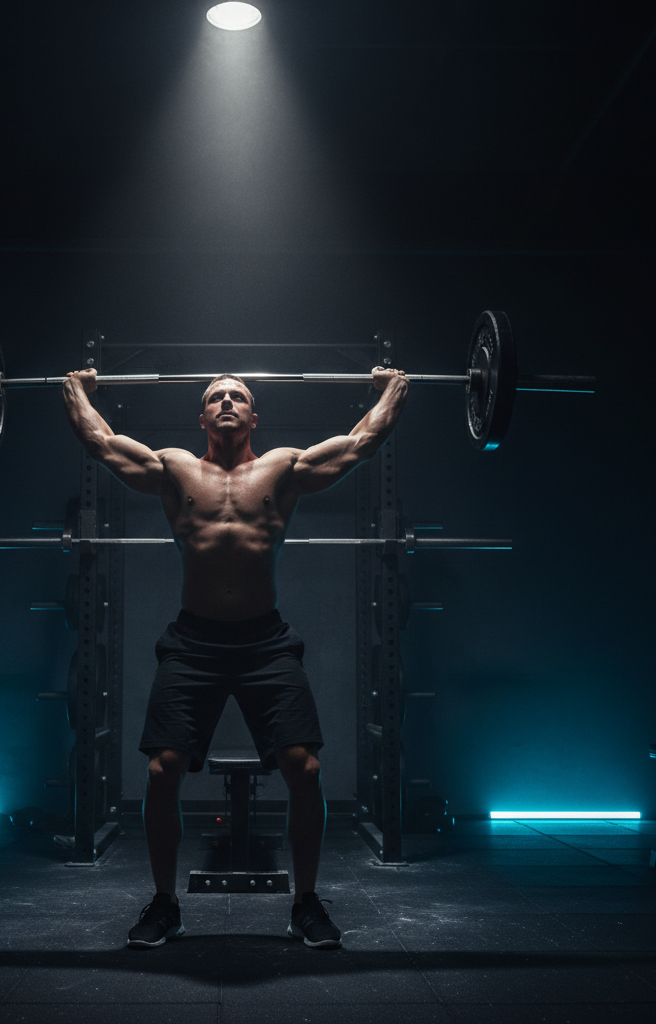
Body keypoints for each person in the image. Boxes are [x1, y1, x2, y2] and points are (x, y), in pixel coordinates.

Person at [62, 365, 409, 950]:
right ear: (202, 418)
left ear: (254, 416)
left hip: (264, 642)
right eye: (215, 397)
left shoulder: (284, 468)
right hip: (193, 642)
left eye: (238, 396)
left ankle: (305, 902)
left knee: (305, 767)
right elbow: (99, 442)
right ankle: (165, 903)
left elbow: (359, 444)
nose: (226, 401)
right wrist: (74, 389)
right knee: (162, 768)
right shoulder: (173, 467)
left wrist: (394, 389)